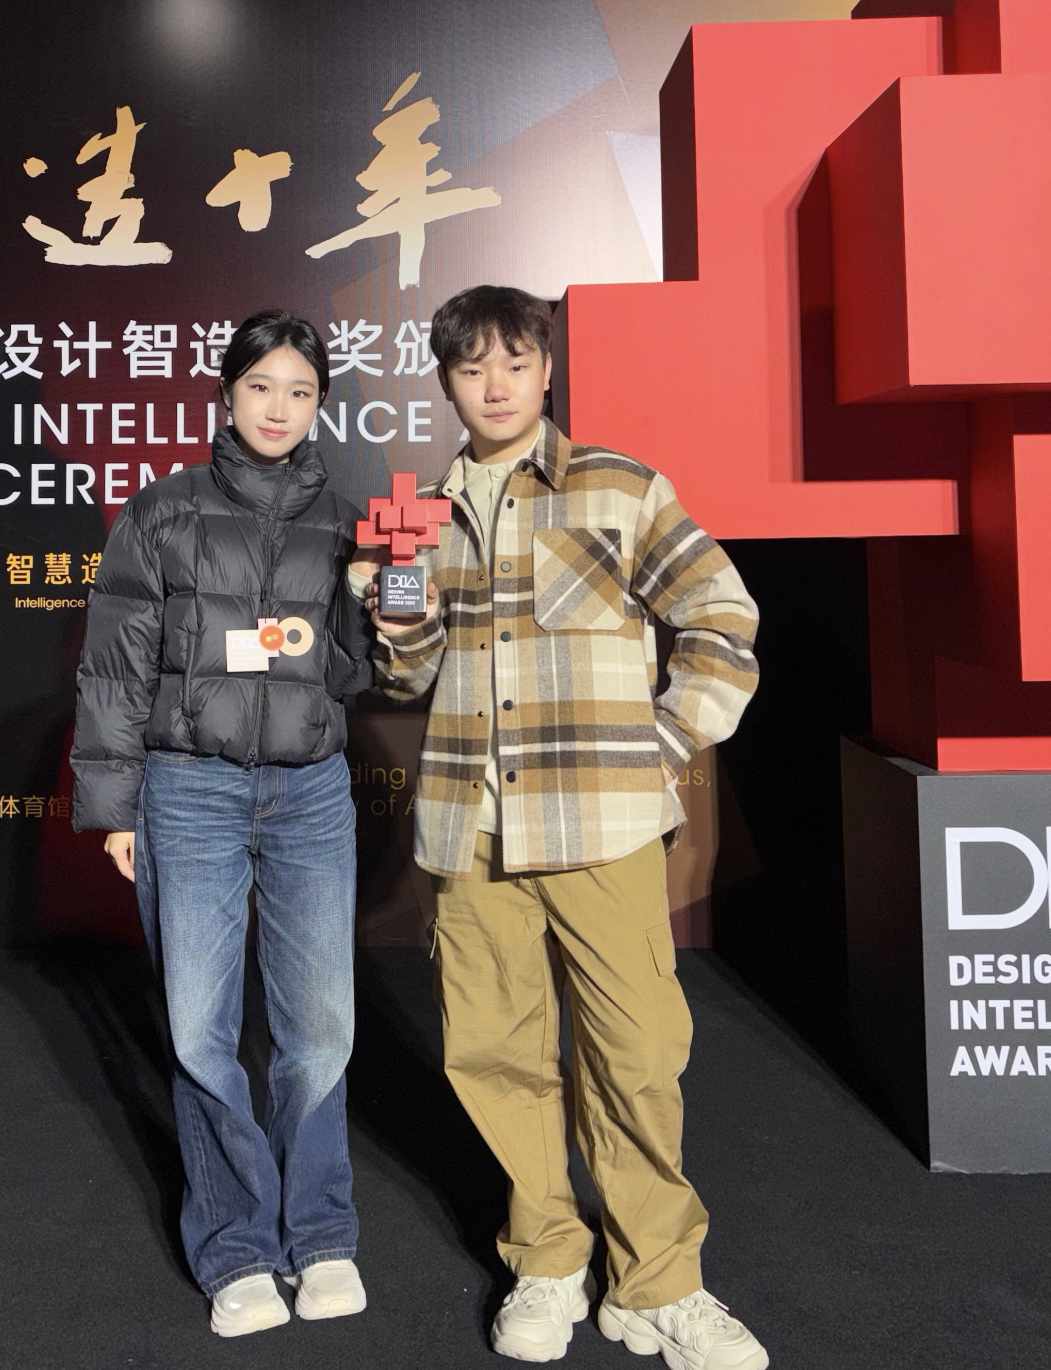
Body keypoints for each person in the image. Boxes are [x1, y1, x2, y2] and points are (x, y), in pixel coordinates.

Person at [353, 286, 768, 1367]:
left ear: (546, 369)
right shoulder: (421, 513)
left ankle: (658, 1283)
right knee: (495, 1051)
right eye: (471, 367)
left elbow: (721, 613)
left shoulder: (618, 486)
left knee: (638, 1051)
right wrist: (395, 610)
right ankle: (545, 1260)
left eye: (514, 361)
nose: (495, 385)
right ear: (446, 383)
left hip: (602, 826)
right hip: (471, 828)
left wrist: (665, 741)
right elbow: (406, 676)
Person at [71, 310, 375, 1338]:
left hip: (311, 790)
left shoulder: (346, 522)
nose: (279, 408)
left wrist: (381, 605)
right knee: (202, 1028)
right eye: (261, 387)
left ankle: (320, 1230)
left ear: (320, 403)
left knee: (320, 1027)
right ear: (226, 394)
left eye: (300, 391)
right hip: (189, 787)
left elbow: (353, 673)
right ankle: (237, 1244)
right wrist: (115, 805)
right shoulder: (162, 511)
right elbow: (115, 665)